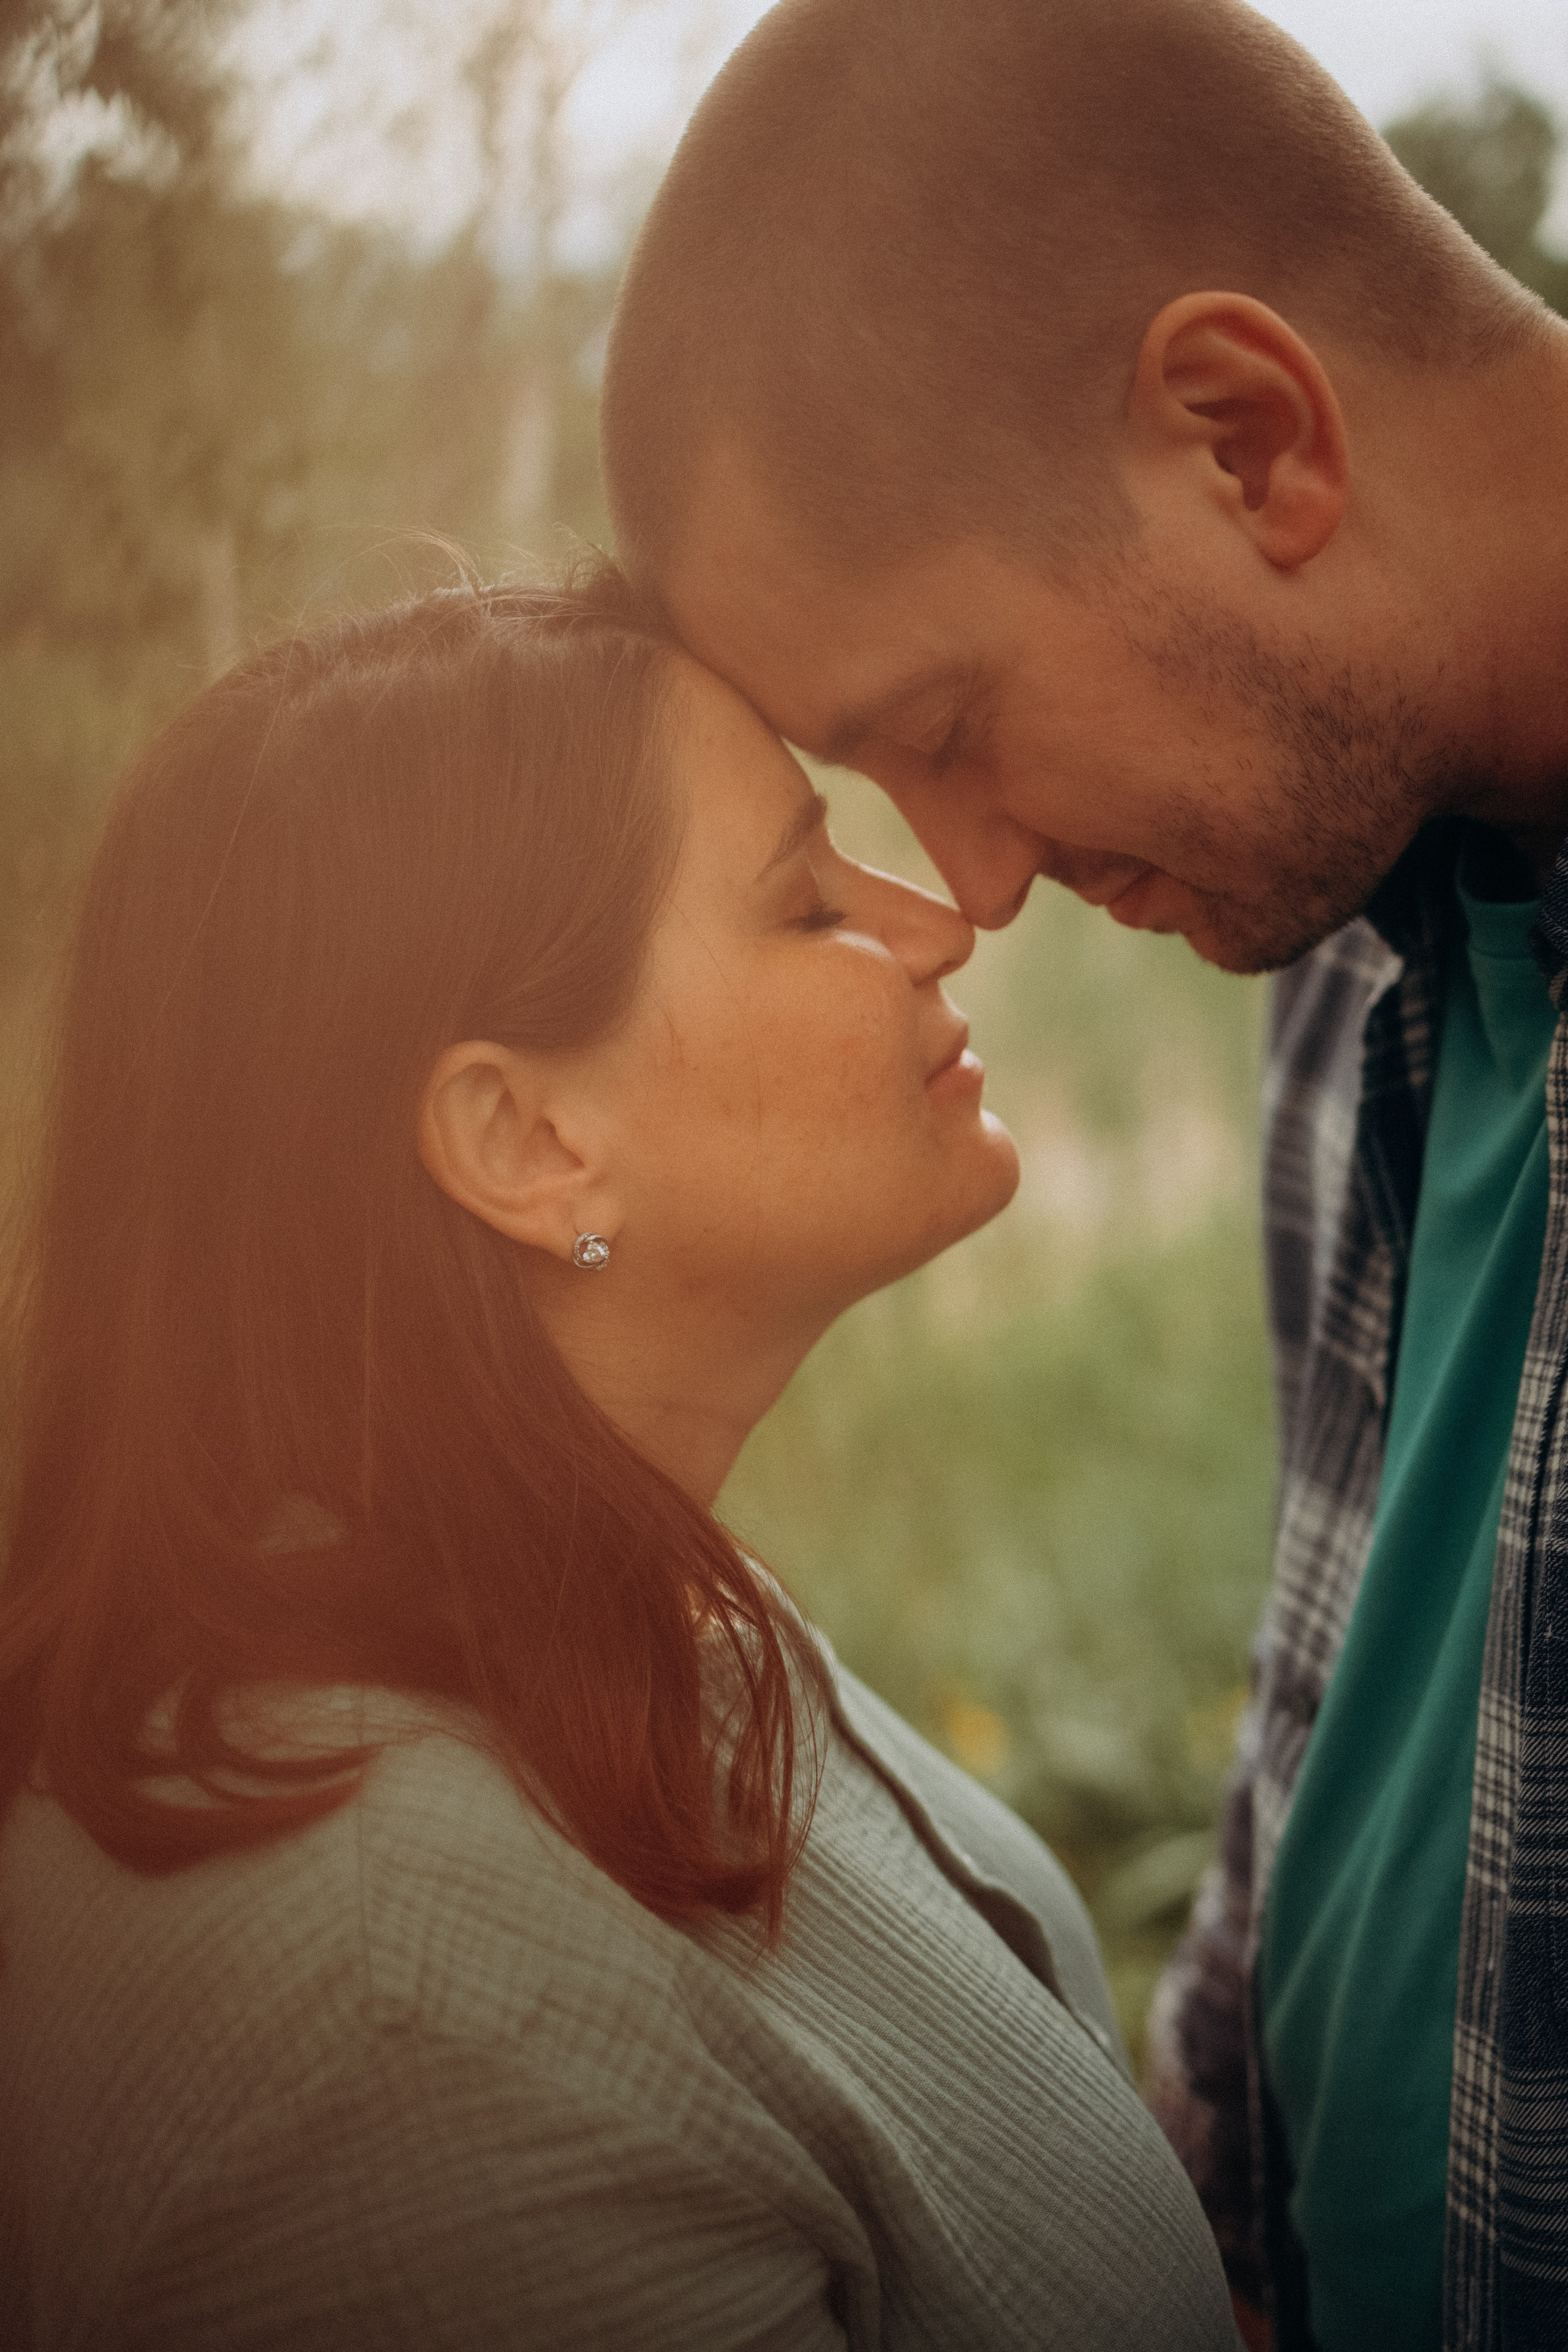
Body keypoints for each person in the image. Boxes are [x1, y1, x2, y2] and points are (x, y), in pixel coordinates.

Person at [597, 2, 1568, 2347]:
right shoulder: (1355, 952)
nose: (982, 883)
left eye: (947, 731)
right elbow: (1344, 1718)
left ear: (1249, 438)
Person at [0, 573, 1235, 2350]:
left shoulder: (588, 1587)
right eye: (808, 899)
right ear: (526, 1140)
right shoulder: (392, 2048)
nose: (939, 924)